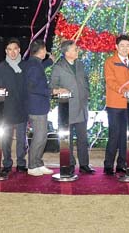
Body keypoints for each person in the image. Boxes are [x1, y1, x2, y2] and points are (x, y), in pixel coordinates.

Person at [50, 40, 95, 174]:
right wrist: (58, 90)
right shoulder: (58, 67)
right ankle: (69, 164)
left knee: (83, 138)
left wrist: (87, 94)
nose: (77, 51)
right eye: (75, 49)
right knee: (67, 139)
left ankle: (84, 165)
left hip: (82, 108)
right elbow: (52, 86)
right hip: (67, 108)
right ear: (67, 52)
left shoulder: (80, 64)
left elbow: (85, 81)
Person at [0, 38, 29, 174]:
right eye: (10, 49)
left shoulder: (25, 66)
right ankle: (6, 163)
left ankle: (21, 163)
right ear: (6, 51)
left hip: (21, 108)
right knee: (5, 139)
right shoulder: (0, 67)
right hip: (5, 109)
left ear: (19, 50)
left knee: (21, 140)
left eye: (15, 49)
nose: (13, 52)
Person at [103, 34, 129, 175]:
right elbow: (110, 81)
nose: (125, 48)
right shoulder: (110, 62)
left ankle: (122, 164)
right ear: (116, 47)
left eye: (127, 46)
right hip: (115, 104)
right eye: (122, 45)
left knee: (127, 135)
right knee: (114, 135)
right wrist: (124, 91)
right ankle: (108, 164)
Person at [24, 40, 55, 176]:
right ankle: (32, 165)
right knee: (39, 137)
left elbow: (41, 68)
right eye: (45, 50)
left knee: (42, 136)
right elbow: (33, 86)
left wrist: (50, 61)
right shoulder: (33, 66)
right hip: (36, 106)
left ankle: (38, 162)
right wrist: (51, 91)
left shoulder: (34, 63)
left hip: (39, 105)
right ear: (41, 50)